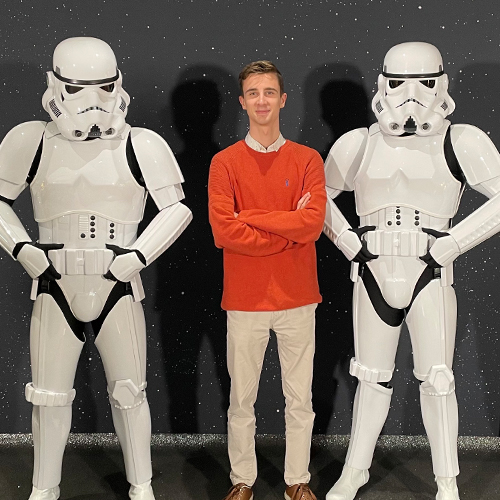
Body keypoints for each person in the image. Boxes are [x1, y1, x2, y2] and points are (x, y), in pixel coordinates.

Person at [0, 37, 192, 500]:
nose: (93, 104)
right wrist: (21, 246)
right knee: (49, 397)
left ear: (118, 85)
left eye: (104, 88)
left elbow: (177, 209)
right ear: (55, 87)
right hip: (54, 283)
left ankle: (141, 484)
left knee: (130, 392)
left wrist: (138, 256)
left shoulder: (142, 143)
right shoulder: (32, 140)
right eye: (78, 89)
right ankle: (44, 488)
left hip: (117, 284)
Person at [323, 42, 500, 500]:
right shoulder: (358, 143)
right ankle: (354, 473)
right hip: (372, 270)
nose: (411, 95)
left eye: (423, 82)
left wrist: (454, 243)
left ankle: (447, 482)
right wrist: (347, 242)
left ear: (441, 82)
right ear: (382, 82)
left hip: (430, 270)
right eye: (399, 82)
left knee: (438, 378)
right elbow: (315, 197)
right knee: (370, 377)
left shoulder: (461, 140)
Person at [208, 60, 326, 500]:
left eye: (269, 92)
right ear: (242, 102)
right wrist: (285, 230)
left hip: (298, 297)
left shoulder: (308, 159)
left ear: (282, 100)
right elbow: (224, 231)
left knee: (300, 400)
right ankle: (243, 480)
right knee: (242, 400)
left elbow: (312, 225)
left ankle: (298, 479)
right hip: (244, 300)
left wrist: (253, 219)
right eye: (253, 93)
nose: (261, 100)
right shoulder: (224, 163)